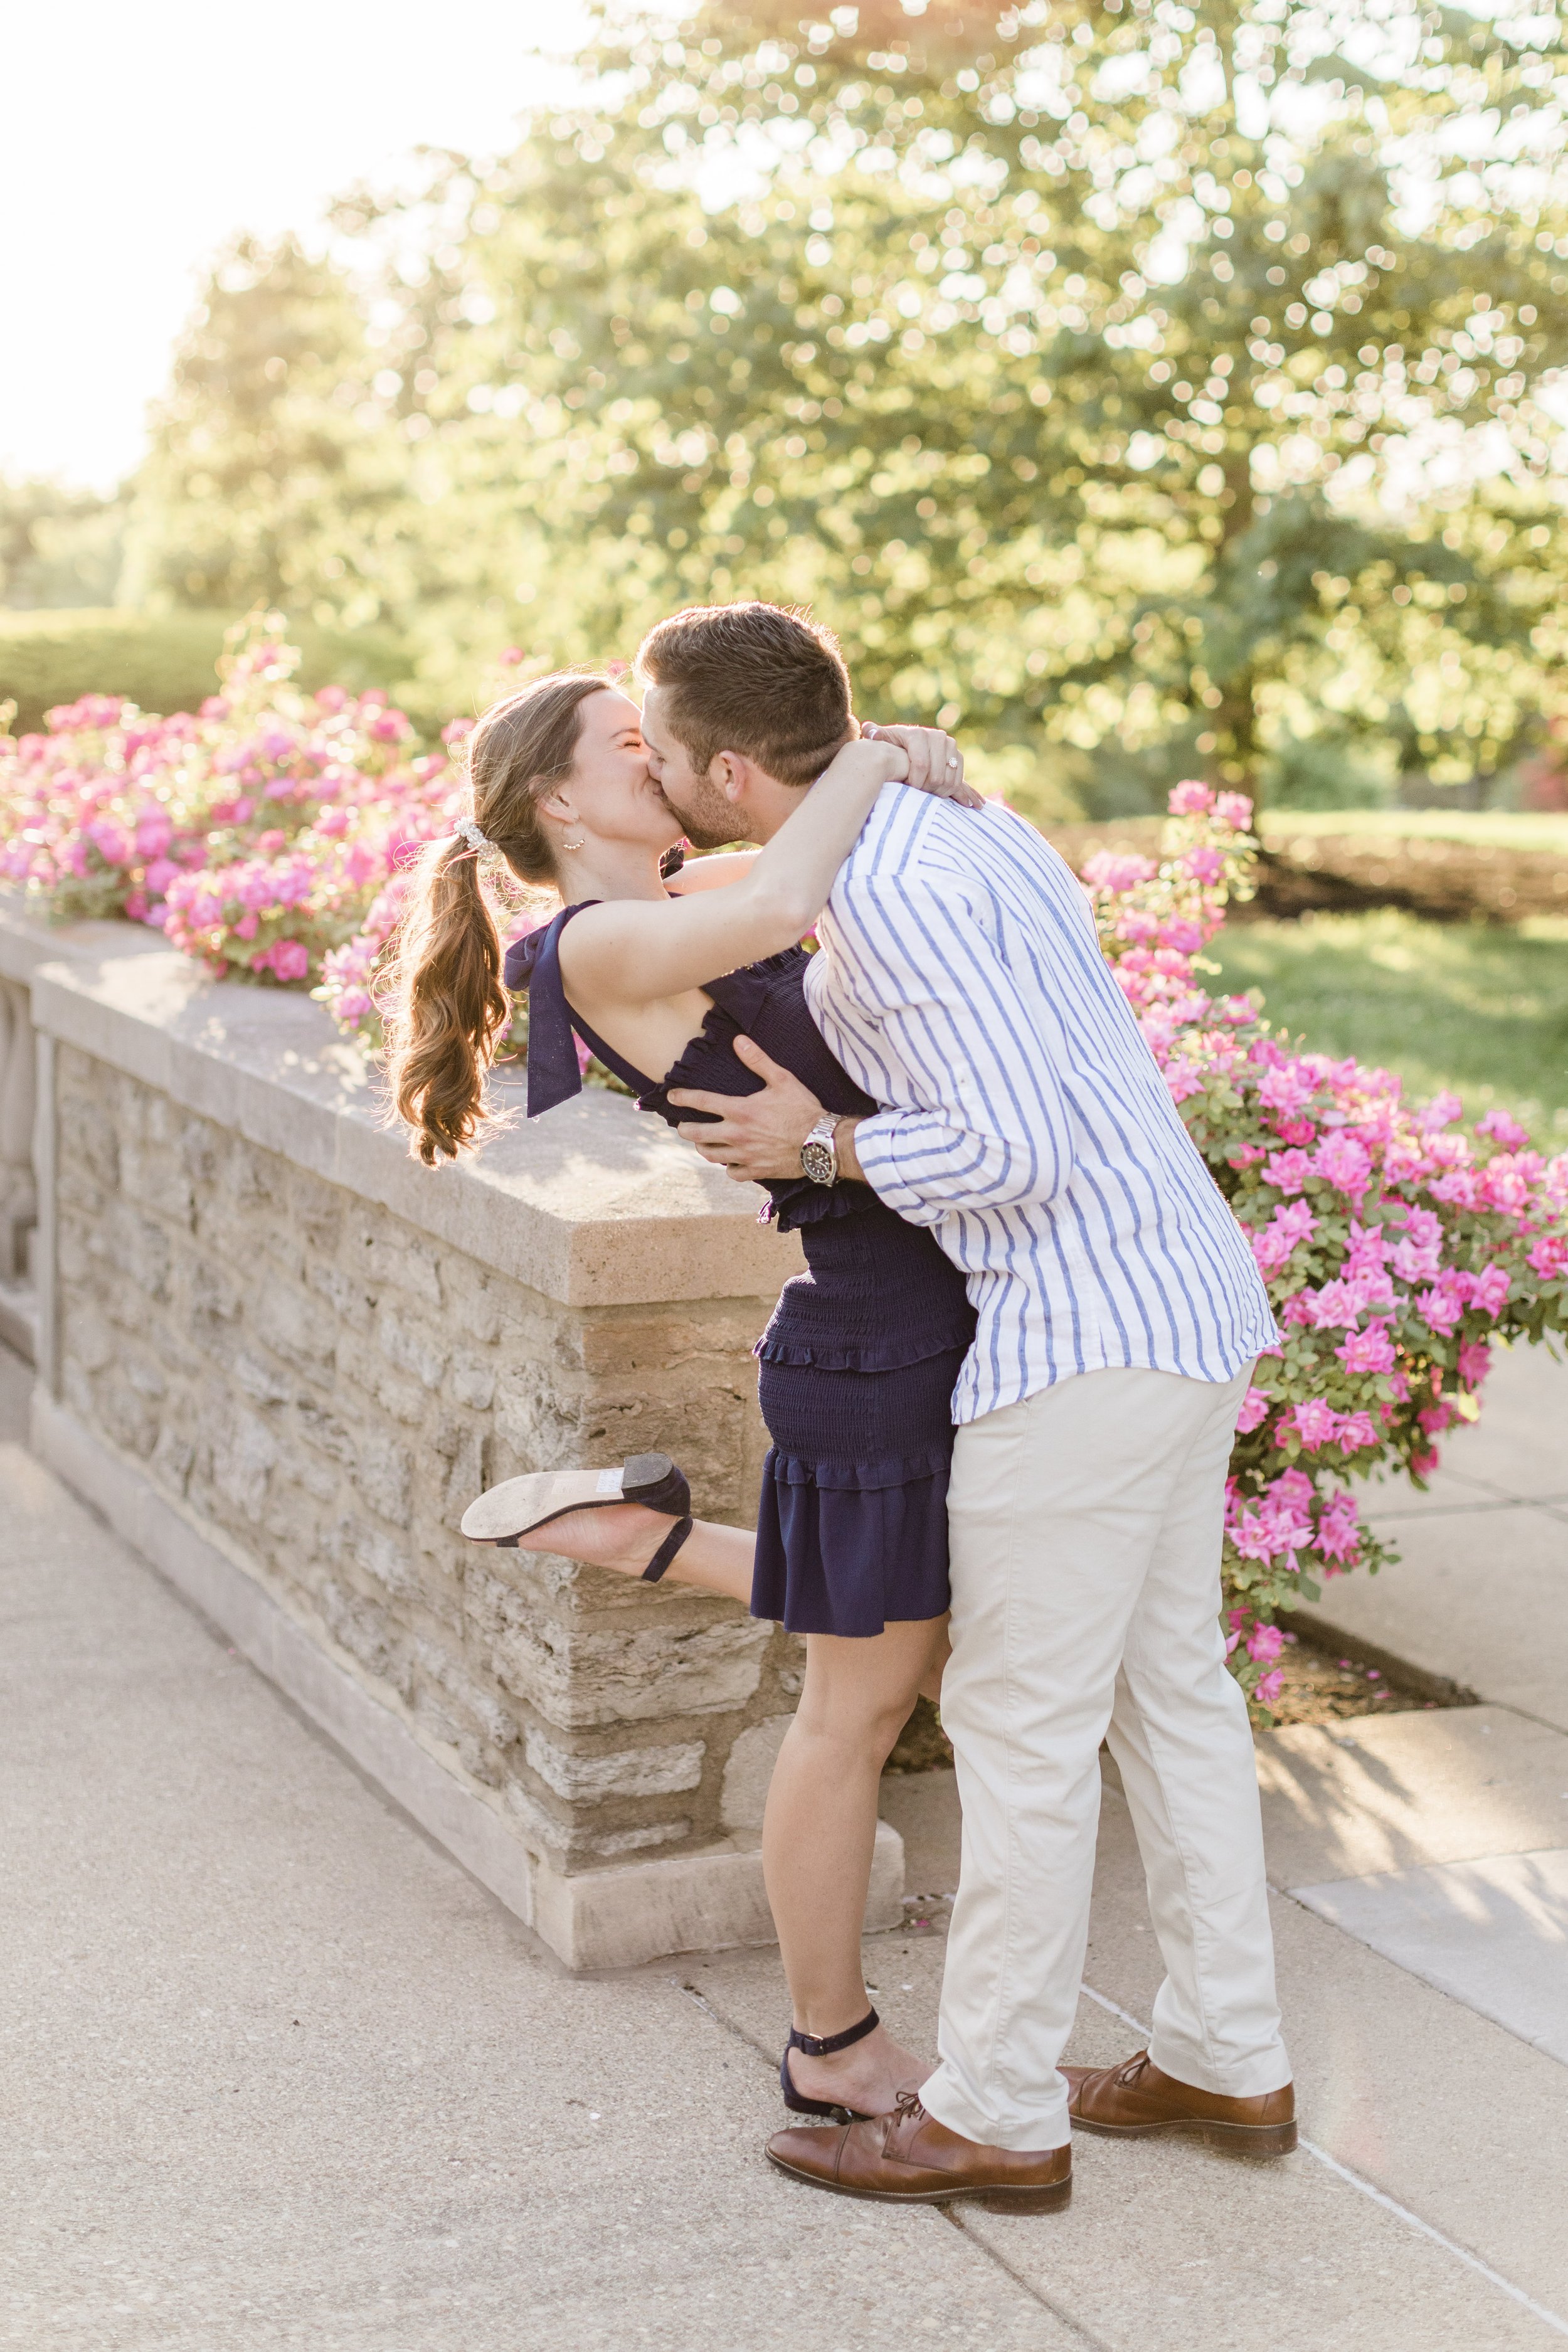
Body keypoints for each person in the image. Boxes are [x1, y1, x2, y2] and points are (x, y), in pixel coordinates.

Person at [629, 602, 1295, 2211]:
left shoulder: (888, 893)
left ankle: (996, 2108)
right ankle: (1224, 2053)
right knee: (1170, 1703)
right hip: (1177, 1305)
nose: (646, 770)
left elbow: (1011, 1155)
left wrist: (820, 1150)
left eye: (656, 749)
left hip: (1079, 1338)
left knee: (1018, 1732)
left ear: (726, 767)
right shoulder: (948, 823)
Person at [381, 661, 979, 2124]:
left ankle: (637, 1529)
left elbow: (797, 884)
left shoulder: (671, 897)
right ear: (555, 799)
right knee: (861, 1701)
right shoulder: (592, 945)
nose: (656, 759)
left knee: (946, 1646)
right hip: (870, 1338)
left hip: (925, 1314)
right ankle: (831, 2050)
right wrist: (881, 748)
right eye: (624, 744)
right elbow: (785, 908)